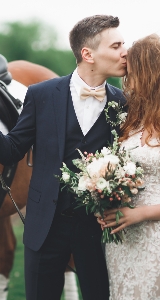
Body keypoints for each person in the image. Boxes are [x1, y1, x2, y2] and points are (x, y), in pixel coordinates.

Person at [0, 15, 127, 300]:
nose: (124, 52)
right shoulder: (41, 95)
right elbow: (11, 150)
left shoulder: (122, 103)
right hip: (44, 228)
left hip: (97, 230)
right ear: (88, 54)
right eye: (117, 45)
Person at [97, 33, 160, 299]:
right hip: (123, 239)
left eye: (132, 74)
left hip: (154, 234)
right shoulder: (132, 117)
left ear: (150, 74)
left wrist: (139, 214)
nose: (128, 83)